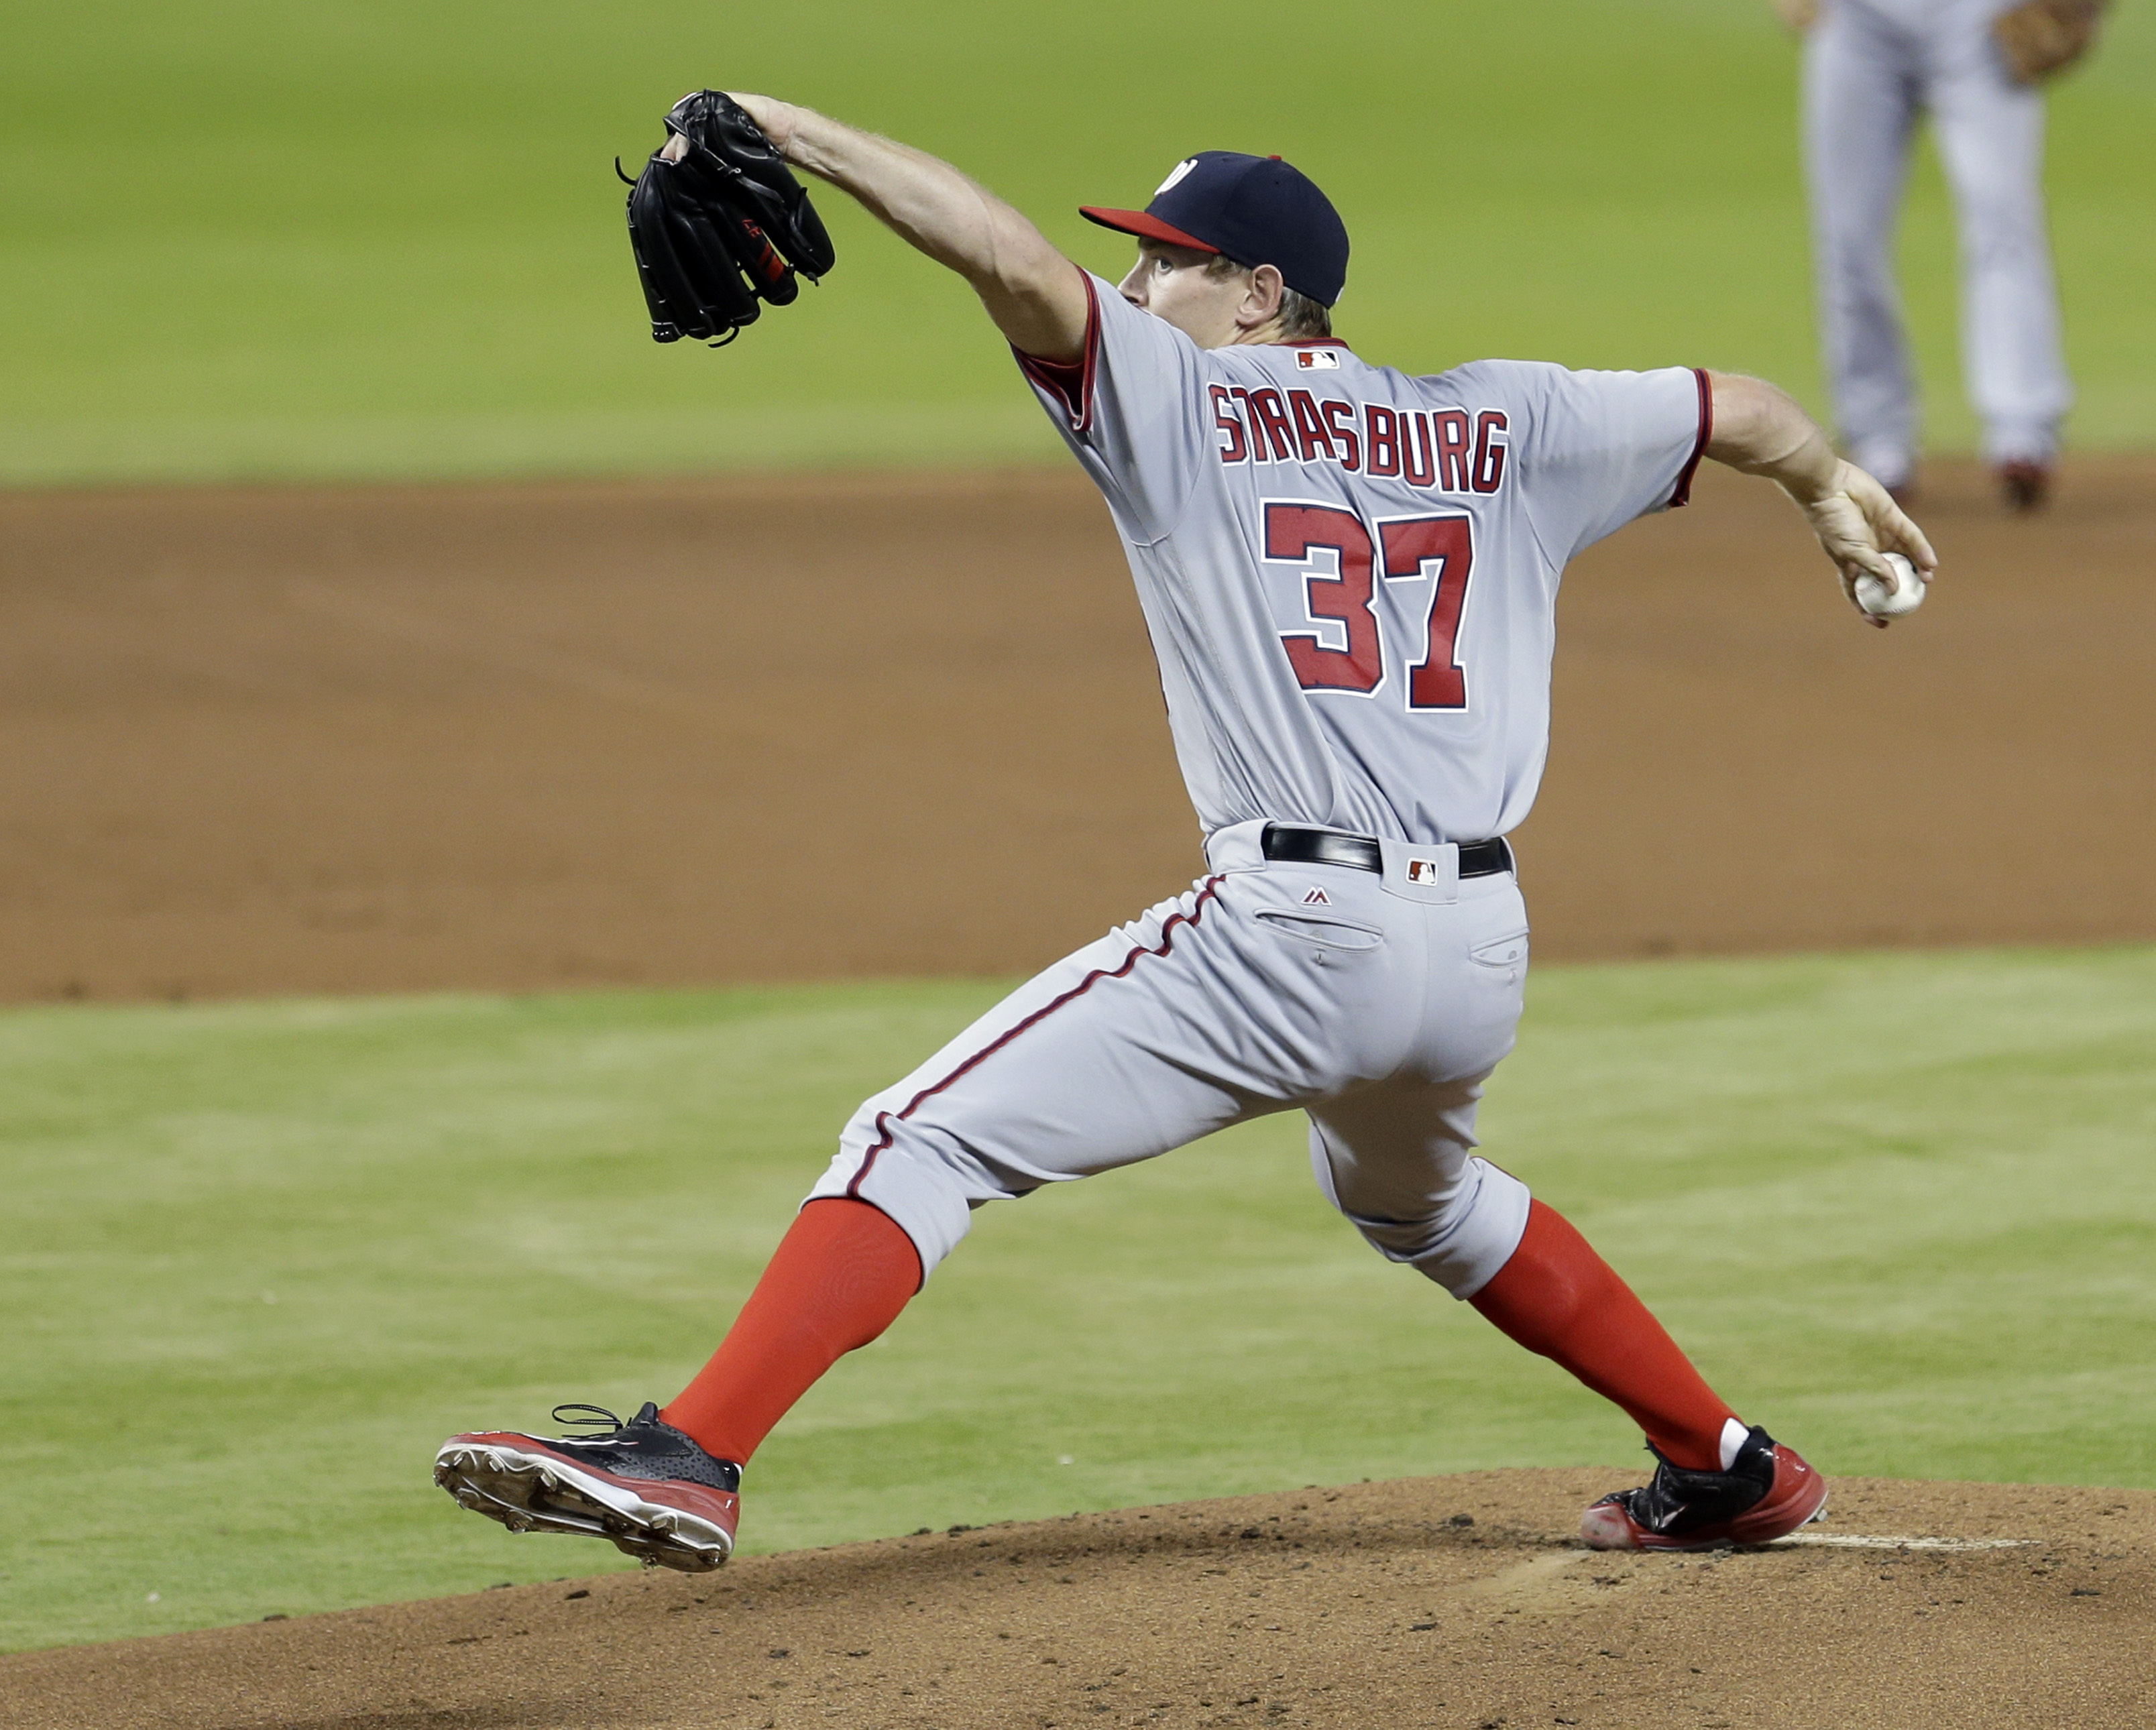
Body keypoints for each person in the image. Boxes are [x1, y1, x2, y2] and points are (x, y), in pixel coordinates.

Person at [435, 95, 1938, 1569]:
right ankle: (1725, 1464)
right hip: (1479, 950)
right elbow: (1744, 408)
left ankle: (692, 1455)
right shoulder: (1508, 418)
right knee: (1420, 1200)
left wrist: (790, 131)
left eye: (1166, 261)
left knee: (922, 1136)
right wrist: (1823, 483)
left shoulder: (1179, 398)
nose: (1137, 285)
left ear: (1258, 294)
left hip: (1295, 937)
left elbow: (1001, 254)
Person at [1783, 0, 2092, 508]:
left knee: (2003, 218)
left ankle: (2022, 431)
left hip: (1977, 20)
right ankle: (1878, 436)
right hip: (1858, 20)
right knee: (1848, 238)